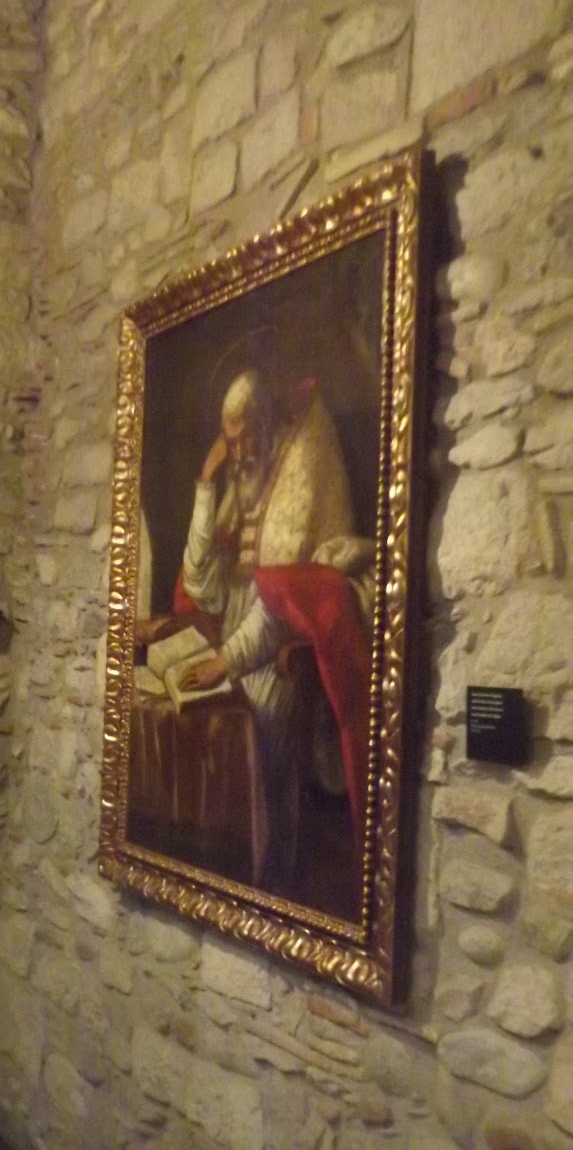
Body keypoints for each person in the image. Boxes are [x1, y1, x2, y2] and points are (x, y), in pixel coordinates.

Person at [164, 368, 372, 887]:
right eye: (229, 443)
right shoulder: (238, 480)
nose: (238, 454)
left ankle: (269, 883)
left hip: (274, 651)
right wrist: (205, 485)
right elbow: (203, 586)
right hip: (234, 639)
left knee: (262, 766)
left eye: (244, 439)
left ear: (264, 423)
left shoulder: (298, 467)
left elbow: (282, 604)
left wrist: (226, 661)